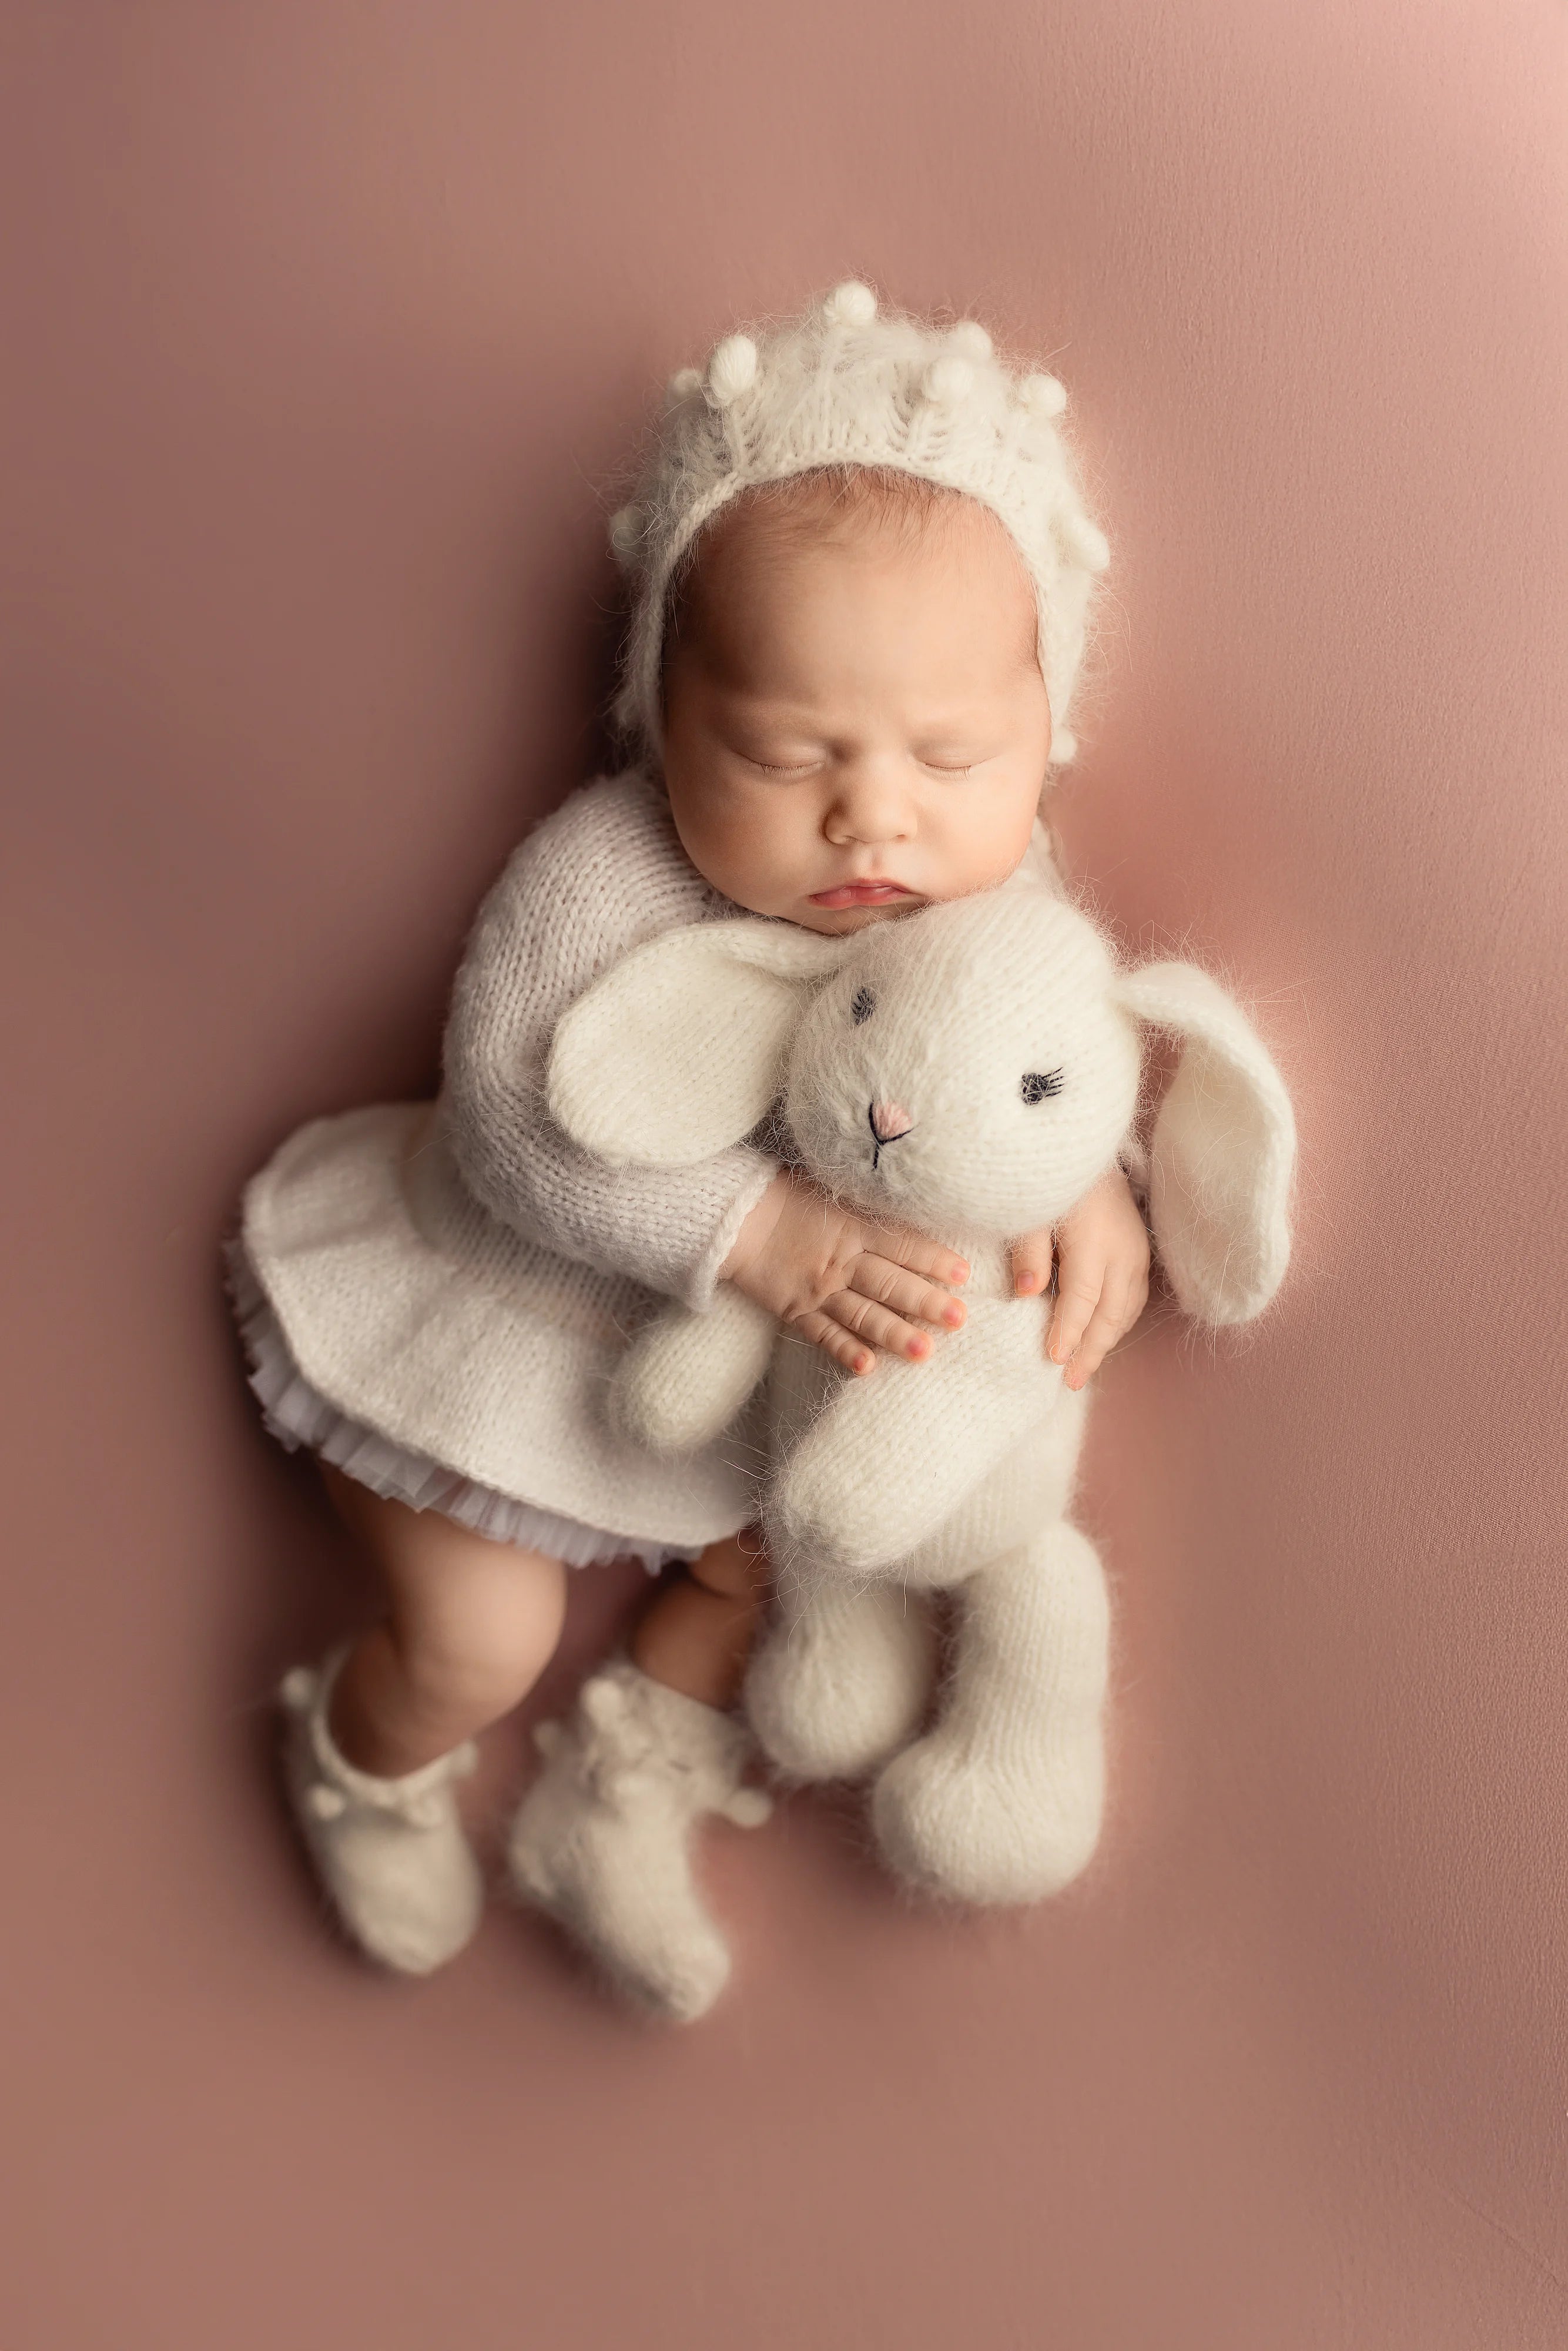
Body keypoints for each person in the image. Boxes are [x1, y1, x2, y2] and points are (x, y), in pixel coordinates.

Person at [233, 282, 1150, 2019]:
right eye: (783, 752)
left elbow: (1019, 1060)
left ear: (1046, 725)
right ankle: (361, 1751)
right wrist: (756, 1236)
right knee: (475, 1644)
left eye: (950, 755)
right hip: (493, 1324)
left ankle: (619, 1792)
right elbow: (509, 1121)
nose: (870, 815)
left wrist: (1076, 1179)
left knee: (773, 1571)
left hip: (733, 1399)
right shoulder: (604, 873)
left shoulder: (979, 893)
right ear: (665, 708)